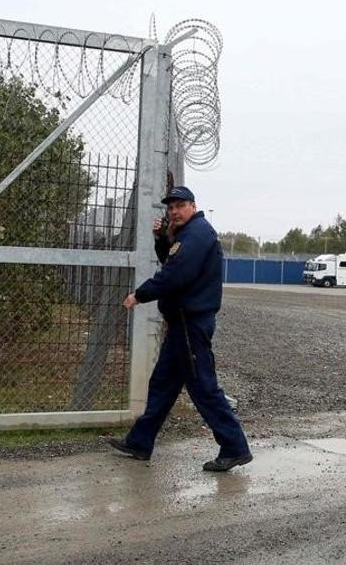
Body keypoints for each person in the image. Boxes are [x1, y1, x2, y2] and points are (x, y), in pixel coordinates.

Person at [107, 186, 252, 472]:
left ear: (193, 205)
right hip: (181, 324)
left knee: (204, 387)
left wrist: (141, 294)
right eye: (170, 207)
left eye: (179, 206)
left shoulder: (198, 234)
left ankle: (235, 447)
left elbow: (176, 274)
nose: (174, 211)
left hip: (191, 323)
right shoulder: (186, 234)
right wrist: (162, 239)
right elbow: (170, 260)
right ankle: (140, 441)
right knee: (162, 383)